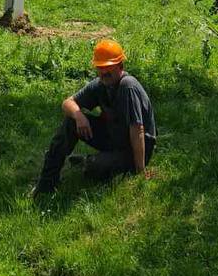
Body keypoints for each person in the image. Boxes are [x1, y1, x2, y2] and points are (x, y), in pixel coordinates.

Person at [32, 39, 156, 197]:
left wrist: (140, 171)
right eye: (100, 68)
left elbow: (137, 129)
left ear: (120, 66)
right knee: (71, 121)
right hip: (114, 137)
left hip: (134, 149)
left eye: (108, 68)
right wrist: (79, 116)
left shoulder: (127, 86)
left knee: (95, 168)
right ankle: (46, 183)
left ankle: (87, 162)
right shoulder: (100, 85)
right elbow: (67, 103)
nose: (104, 72)